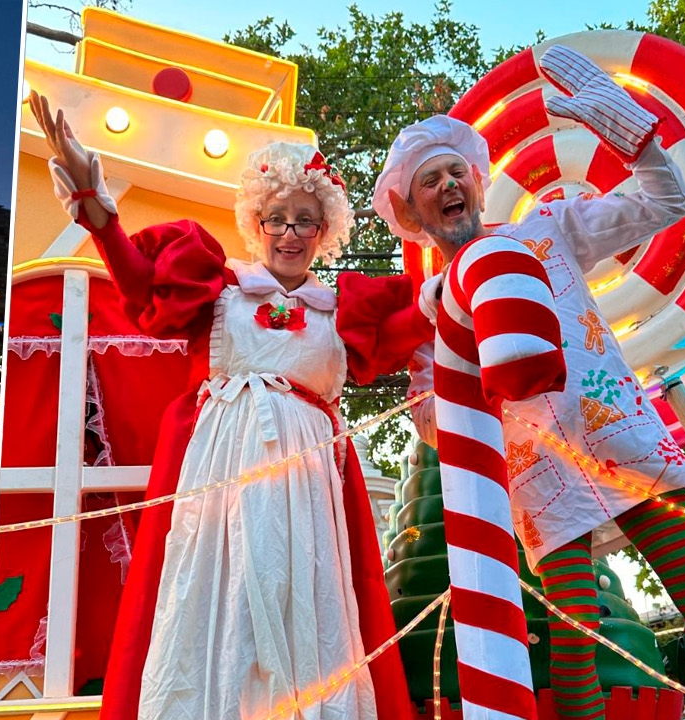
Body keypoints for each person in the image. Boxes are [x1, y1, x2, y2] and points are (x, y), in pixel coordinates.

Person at [31, 91, 430, 720]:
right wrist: (98, 213)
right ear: (257, 224)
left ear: (323, 231)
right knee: (214, 599)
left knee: (306, 596)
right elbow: (137, 284)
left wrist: (474, 264)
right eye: (277, 217)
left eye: (304, 219)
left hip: (306, 485)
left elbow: (432, 314)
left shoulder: (345, 311)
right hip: (217, 477)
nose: (290, 232)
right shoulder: (219, 289)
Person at [380, 46, 685, 718]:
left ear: (480, 183)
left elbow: (670, 197)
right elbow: (433, 418)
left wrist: (631, 135)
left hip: (625, 445)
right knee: (574, 635)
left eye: (458, 172)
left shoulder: (550, 228)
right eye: (431, 181)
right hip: (540, 480)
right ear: (413, 212)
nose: (449, 185)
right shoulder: (430, 308)